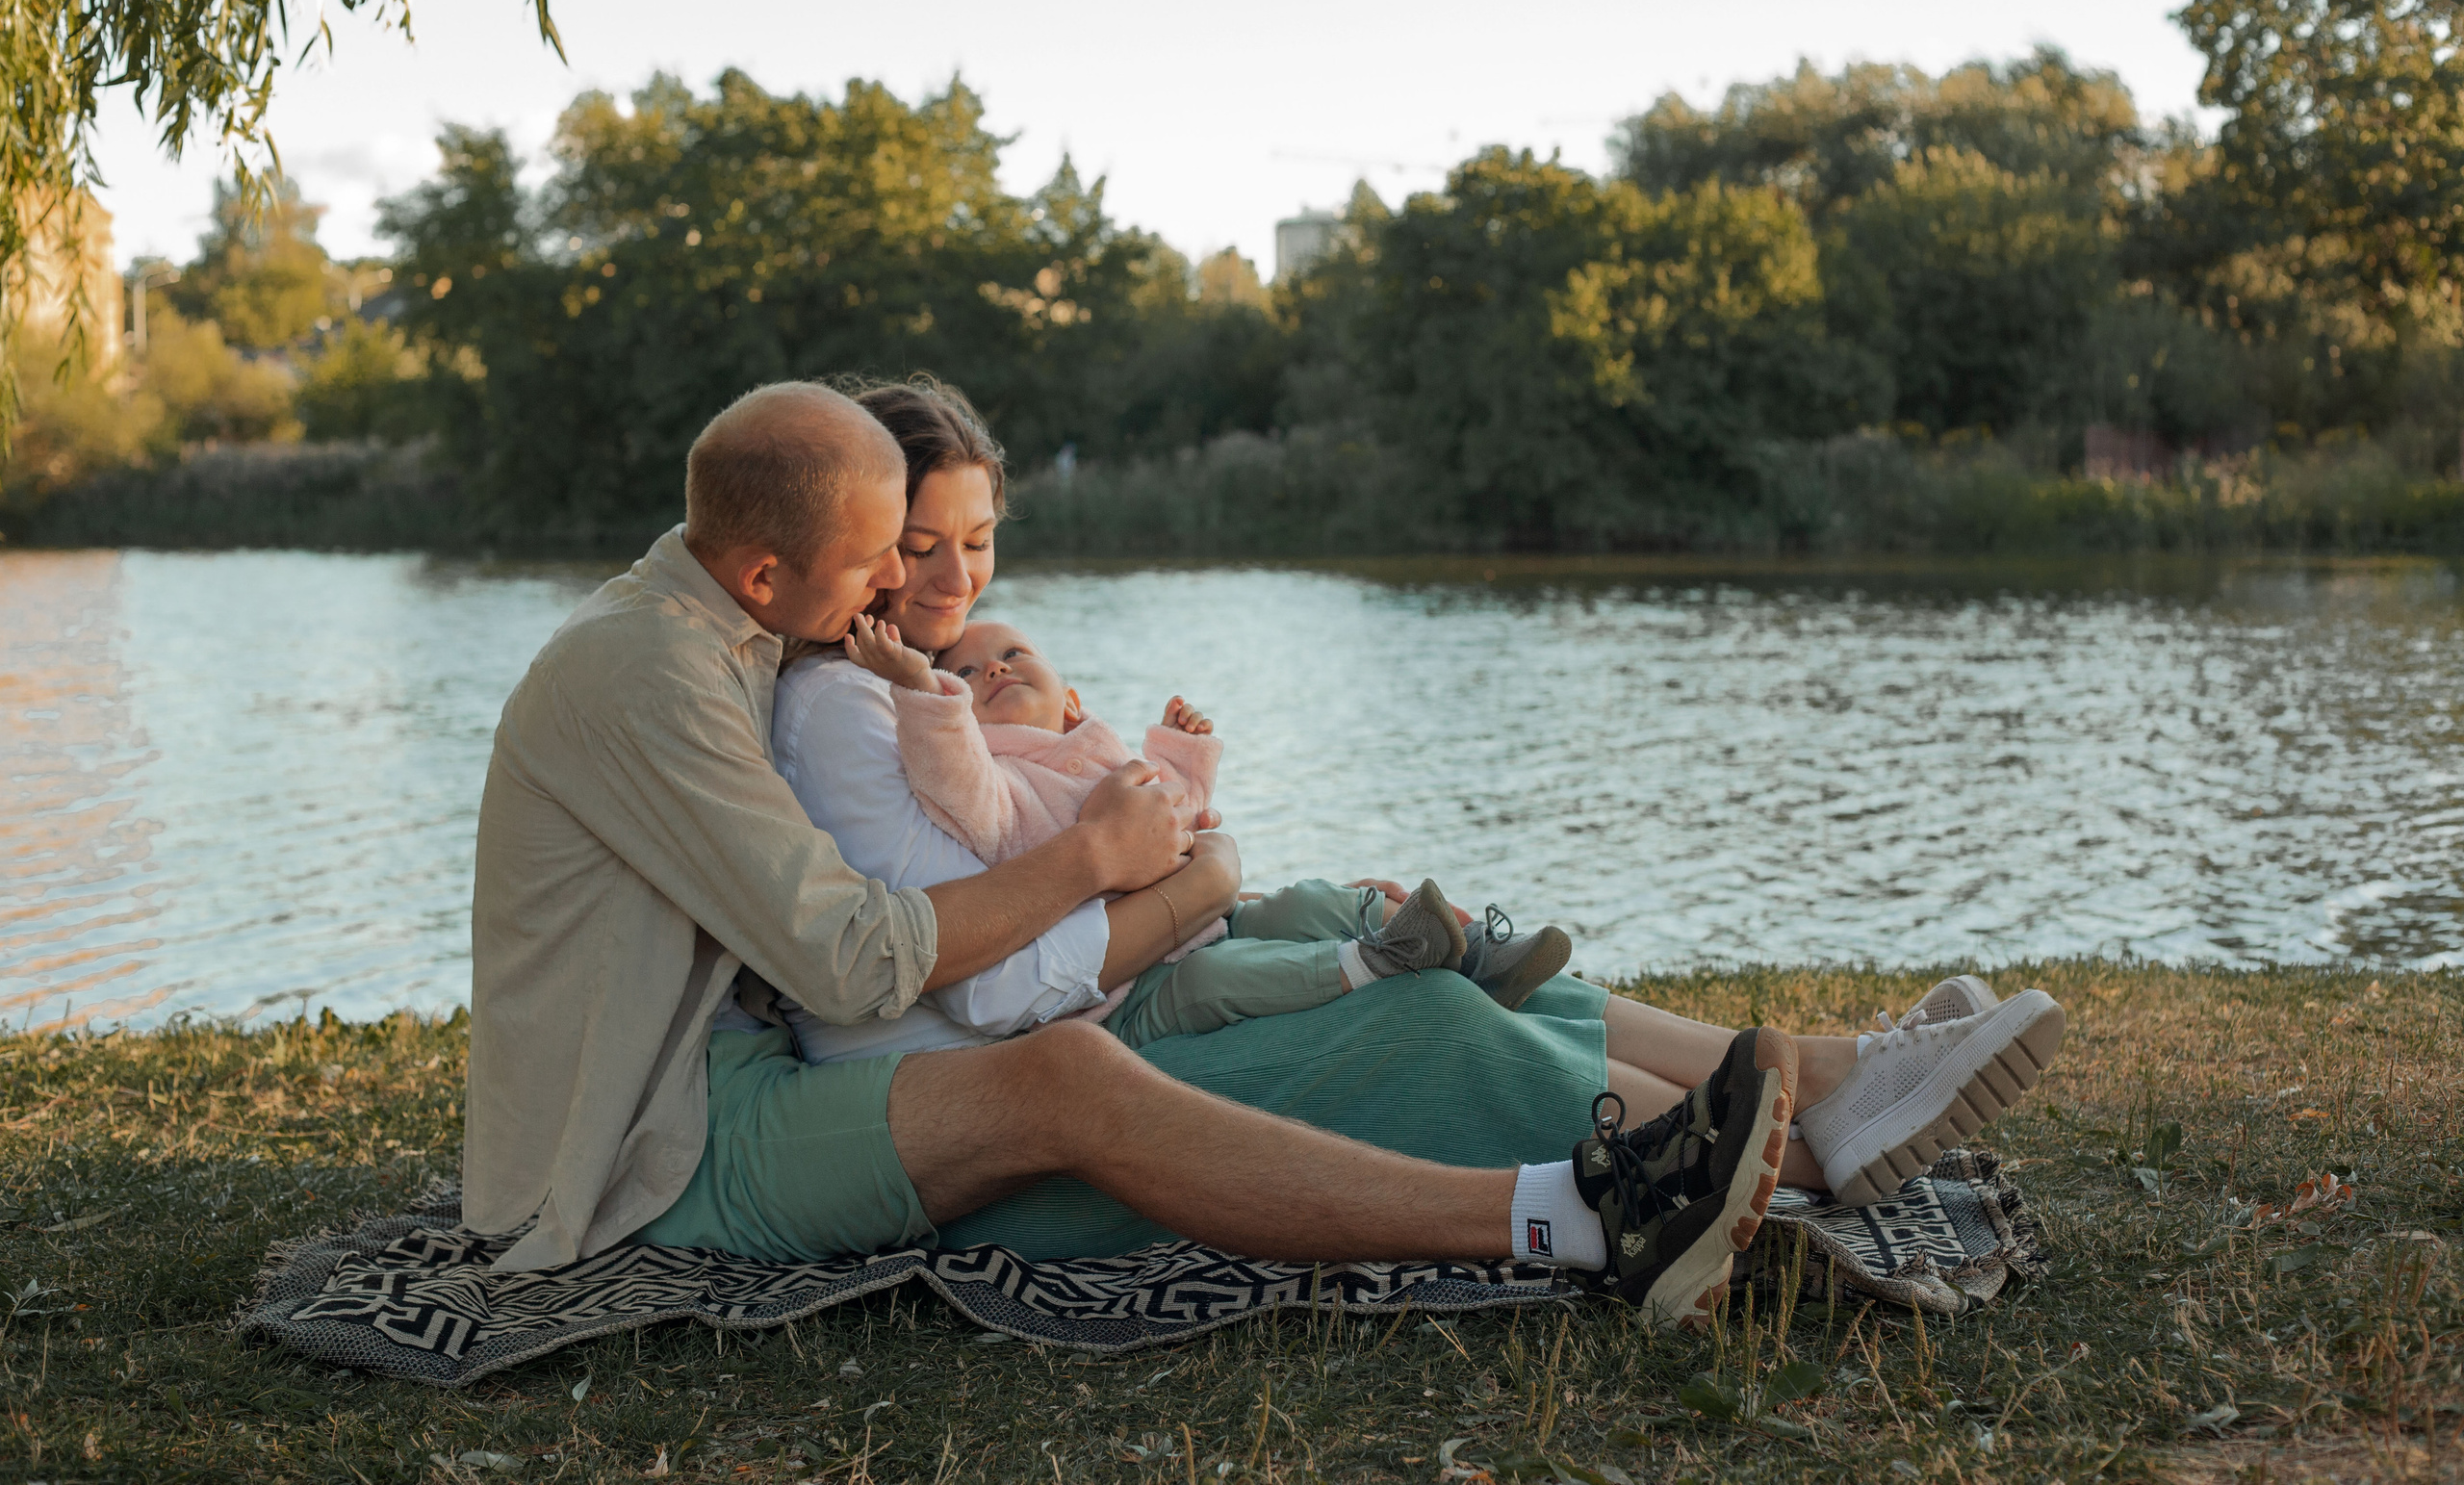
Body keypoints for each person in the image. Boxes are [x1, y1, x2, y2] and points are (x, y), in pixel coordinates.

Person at [462, 378, 1811, 1325]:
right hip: (665, 1146)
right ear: (765, 572)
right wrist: (1101, 856)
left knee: (1321, 964)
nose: (903, 587)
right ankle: (1569, 1214)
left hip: (754, 1070)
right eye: (884, 554)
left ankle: (1765, 1124)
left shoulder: (732, 638)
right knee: (1068, 1072)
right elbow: (858, 957)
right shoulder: (656, 671)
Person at [749, 378, 2068, 1252]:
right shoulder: (848, 713)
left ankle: (1803, 1079)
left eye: (974, 539)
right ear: (860, 530)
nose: (950, 573)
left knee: (1423, 947)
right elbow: (981, 989)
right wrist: (1184, 890)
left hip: (1085, 1014)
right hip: (991, 1105)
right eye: (918, 541)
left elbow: (1030, 868)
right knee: (1419, 1016)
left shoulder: (932, 680)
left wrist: (1177, 871)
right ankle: (1761, 1166)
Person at [835, 608, 1567, 1039]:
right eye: (964, 672)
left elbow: (1177, 821)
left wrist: (1176, 751)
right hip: (1127, 985)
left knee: (1303, 901)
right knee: (1226, 978)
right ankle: (1372, 962)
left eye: (1012, 653)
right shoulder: (993, 780)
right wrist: (919, 690)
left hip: (1195, 918)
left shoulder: (1094, 749)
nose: (991, 670)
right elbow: (946, 765)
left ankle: (1464, 947)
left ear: (1071, 698)